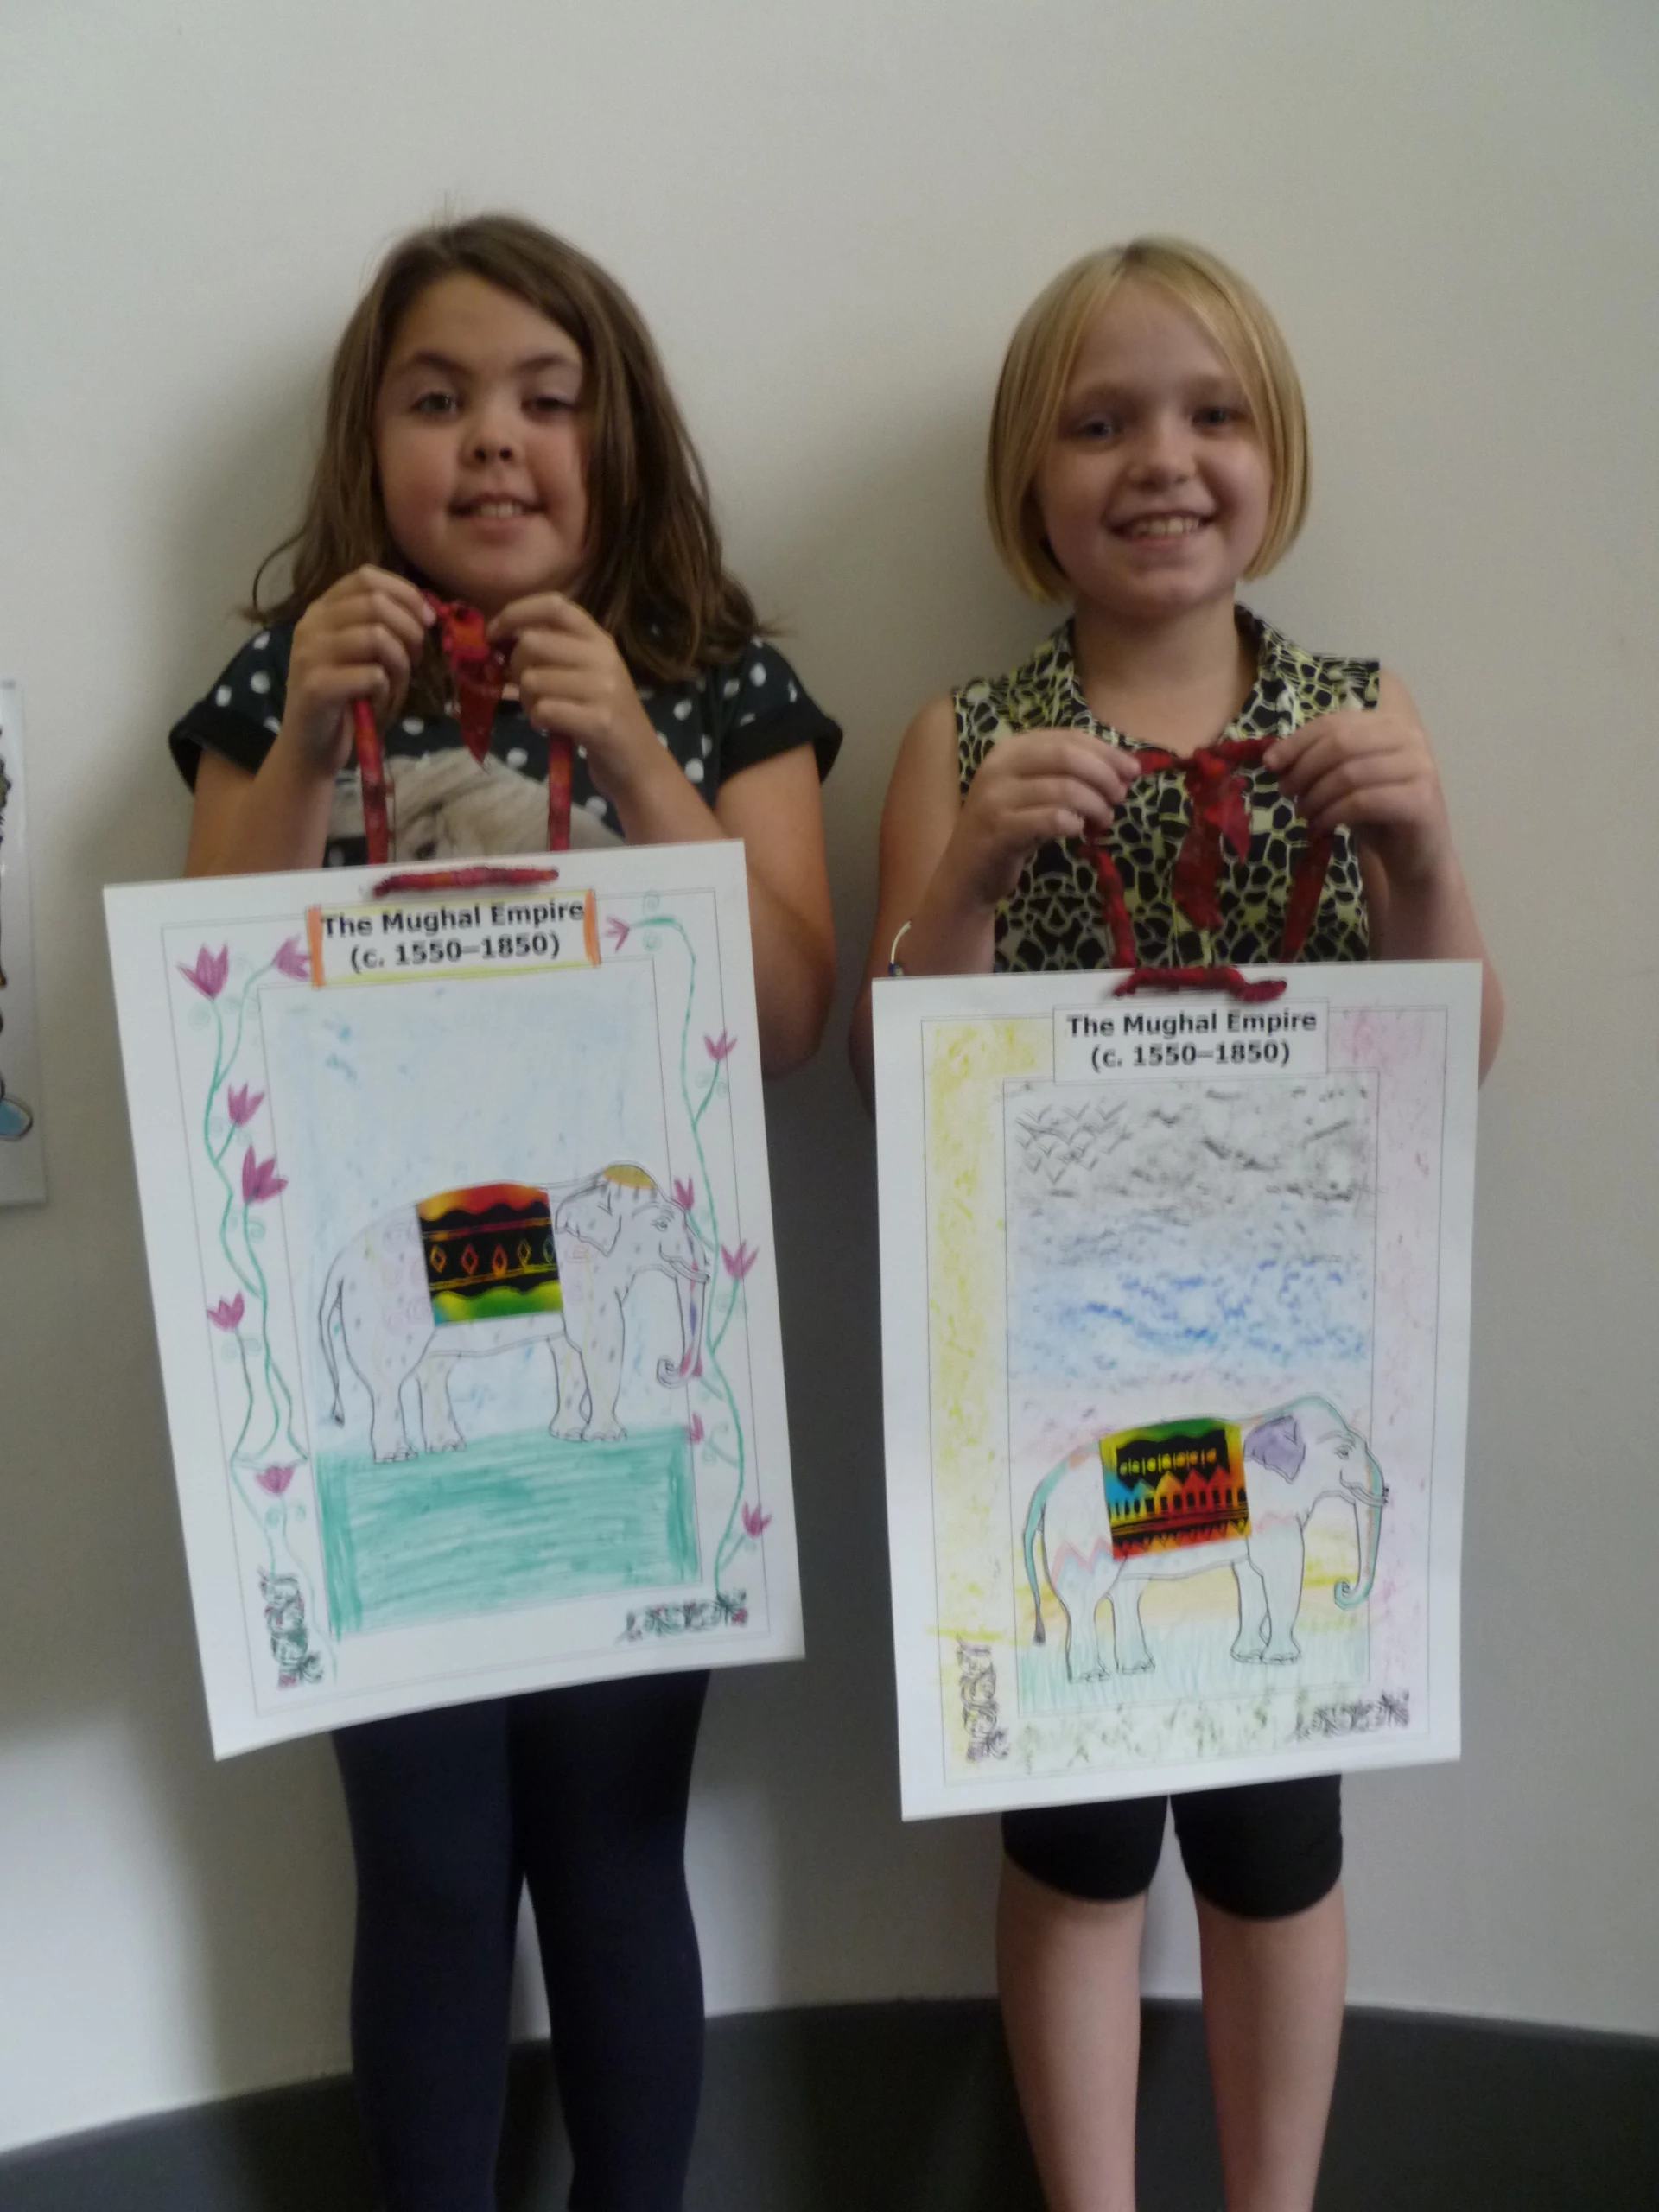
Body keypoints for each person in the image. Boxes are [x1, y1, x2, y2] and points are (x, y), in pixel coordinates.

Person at [174, 213, 838, 2212]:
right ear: (364, 441)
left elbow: (784, 1013)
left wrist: (627, 736)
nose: (491, 439)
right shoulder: (280, 683)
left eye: (547, 399)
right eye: (437, 397)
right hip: (377, 1384)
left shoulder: (715, 682)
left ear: (615, 437)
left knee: (618, 1855)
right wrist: (307, 732)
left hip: (637, 1381)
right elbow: (206, 1010)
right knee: (431, 1866)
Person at [850, 238, 1501, 2212]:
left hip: (1297, 1381)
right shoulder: (964, 736)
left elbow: (1458, 1050)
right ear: (1027, 478)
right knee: (1073, 1836)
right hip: (1056, 1390)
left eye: (1213, 413)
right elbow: (898, 1077)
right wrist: (968, 875)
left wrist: (1419, 852)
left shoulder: (1361, 710)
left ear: (1274, 453)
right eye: (1101, 420)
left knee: (1275, 1832)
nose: (1162, 458)